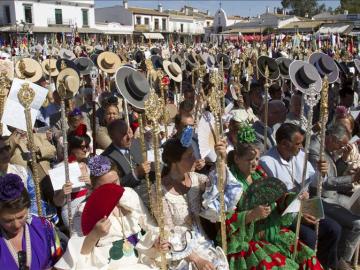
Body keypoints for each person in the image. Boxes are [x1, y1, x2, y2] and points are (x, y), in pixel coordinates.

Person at [226, 125, 323, 269]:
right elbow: (224, 221)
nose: (254, 163)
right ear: (237, 158)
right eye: (249, 159)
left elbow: (279, 199)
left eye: (257, 158)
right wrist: (251, 215)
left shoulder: (260, 174)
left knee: (308, 258)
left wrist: (294, 198)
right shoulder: (230, 183)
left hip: (273, 230)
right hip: (249, 240)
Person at [143, 137, 242, 269]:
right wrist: (197, 260)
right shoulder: (159, 191)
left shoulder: (197, 179)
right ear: (174, 161)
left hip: (205, 243)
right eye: (189, 156)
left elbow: (219, 187)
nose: (195, 158)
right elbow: (168, 231)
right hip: (179, 251)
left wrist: (221, 159)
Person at [259, 123, 341, 269]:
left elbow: (314, 180)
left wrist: (321, 172)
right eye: (298, 143)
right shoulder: (267, 162)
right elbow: (277, 199)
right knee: (309, 237)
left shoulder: (300, 155)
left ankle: (325, 266)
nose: (302, 146)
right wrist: (299, 214)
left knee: (333, 229)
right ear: (284, 144)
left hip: (305, 204)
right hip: (285, 212)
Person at [55, 155, 158, 270]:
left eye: (116, 181)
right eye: (107, 186)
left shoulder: (129, 194)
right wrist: (94, 234)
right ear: (93, 186)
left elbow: (149, 225)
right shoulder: (83, 211)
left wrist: (157, 242)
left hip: (144, 261)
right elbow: (78, 256)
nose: (114, 188)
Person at [309, 124, 360, 268]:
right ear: (332, 138)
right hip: (320, 197)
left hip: (334, 195)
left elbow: (333, 171)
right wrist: (352, 179)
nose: (341, 149)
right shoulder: (315, 149)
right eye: (341, 145)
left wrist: (343, 160)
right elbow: (322, 182)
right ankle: (341, 263)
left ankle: (340, 257)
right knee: (357, 224)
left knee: (356, 212)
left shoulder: (327, 146)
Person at [0, 173, 62, 269]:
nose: (16, 225)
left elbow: (60, 262)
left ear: (27, 208)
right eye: (8, 221)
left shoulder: (44, 228)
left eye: (21, 217)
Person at [53, 124, 91, 229]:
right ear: (73, 148)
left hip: (90, 206)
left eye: (87, 146)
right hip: (72, 211)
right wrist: (63, 192)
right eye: (83, 147)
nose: (85, 150)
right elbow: (57, 202)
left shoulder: (89, 164)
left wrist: (91, 184)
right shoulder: (60, 168)